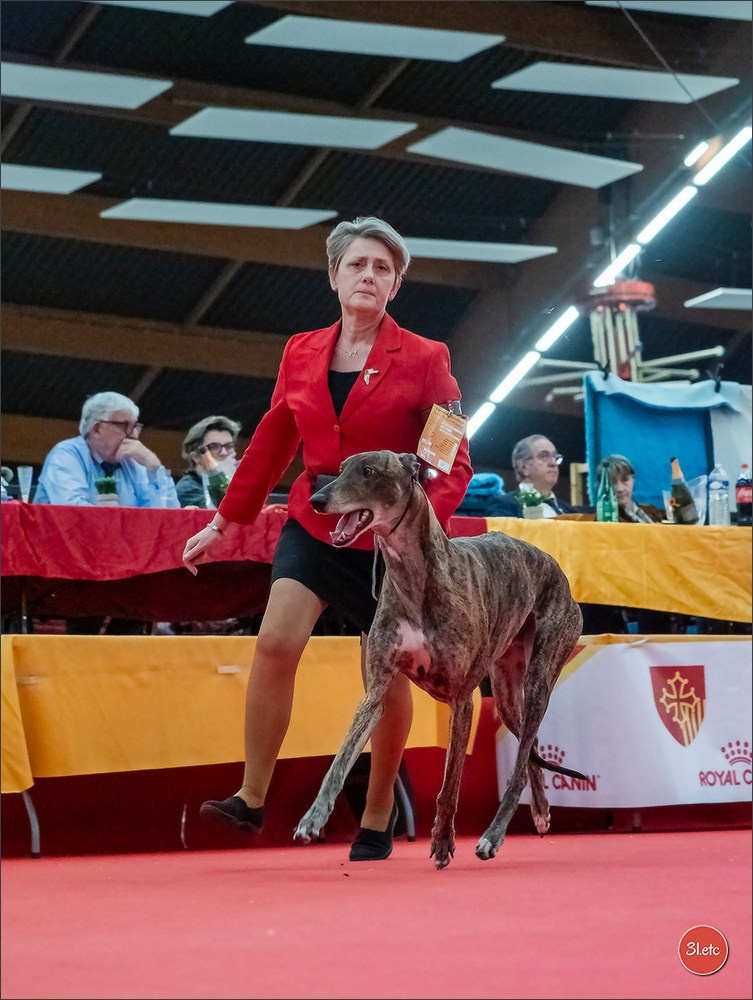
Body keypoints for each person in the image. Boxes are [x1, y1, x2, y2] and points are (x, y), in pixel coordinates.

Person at [182, 216, 472, 861]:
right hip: (316, 517)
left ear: (395, 285)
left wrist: (410, 528)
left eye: (382, 269)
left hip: (390, 538)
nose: (368, 276)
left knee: (384, 677)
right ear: (334, 275)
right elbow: (273, 439)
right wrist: (226, 519)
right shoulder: (301, 350)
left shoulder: (428, 358)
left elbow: (451, 462)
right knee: (275, 640)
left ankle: (375, 818)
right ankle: (251, 797)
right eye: (357, 265)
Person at [34, 391, 179, 508]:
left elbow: (167, 516)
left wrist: (154, 467)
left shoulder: (133, 459)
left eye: (135, 426)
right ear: (97, 429)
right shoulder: (66, 455)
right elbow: (74, 512)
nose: (133, 434)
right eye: (124, 425)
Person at [497, 434, 575, 517]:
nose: (553, 463)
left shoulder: (570, 512)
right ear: (523, 466)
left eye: (555, 457)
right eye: (544, 456)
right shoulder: (504, 506)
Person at [175, 415, 241, 509]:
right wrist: (223, 475)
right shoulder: (188, 489)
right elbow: (226, 513)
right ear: (196, 457)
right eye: (214, 447)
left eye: (229, 446)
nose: (224, 452)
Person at [602, 453, 664, 523]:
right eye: (613, 482)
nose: (620, 489)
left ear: (633, 479)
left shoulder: (652, 511)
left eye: (625, 480)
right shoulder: (606, 520)